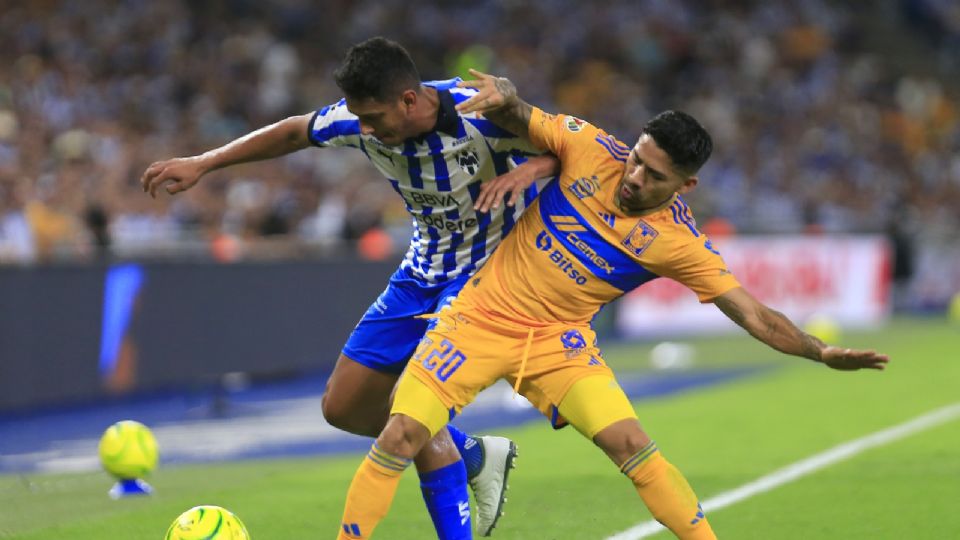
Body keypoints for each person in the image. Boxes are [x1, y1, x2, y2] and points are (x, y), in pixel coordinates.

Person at [334, 70, 890, 539]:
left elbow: (755, 315)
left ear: (686, 185)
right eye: (638, 159)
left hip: (559, 344)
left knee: (633, 446)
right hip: (478, 318)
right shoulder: (591, 148)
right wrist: (505, 97)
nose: (634, 176)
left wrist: (819, 352)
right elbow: (522, 115)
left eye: (654, 175)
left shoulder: (680, 243)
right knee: (400, 435)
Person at [141, 39, 558, 539]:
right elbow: (296, 131)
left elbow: (581, 151)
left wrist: (539, 165)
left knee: (412, 409)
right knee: (344, 406)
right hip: (420, 273)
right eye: (358, 117)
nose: (364, 129)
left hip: (485, 279)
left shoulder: (482, 112)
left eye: (373, 116)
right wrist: (205, 162)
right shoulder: (359, 120)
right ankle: (472, 452)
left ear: (408, 100)